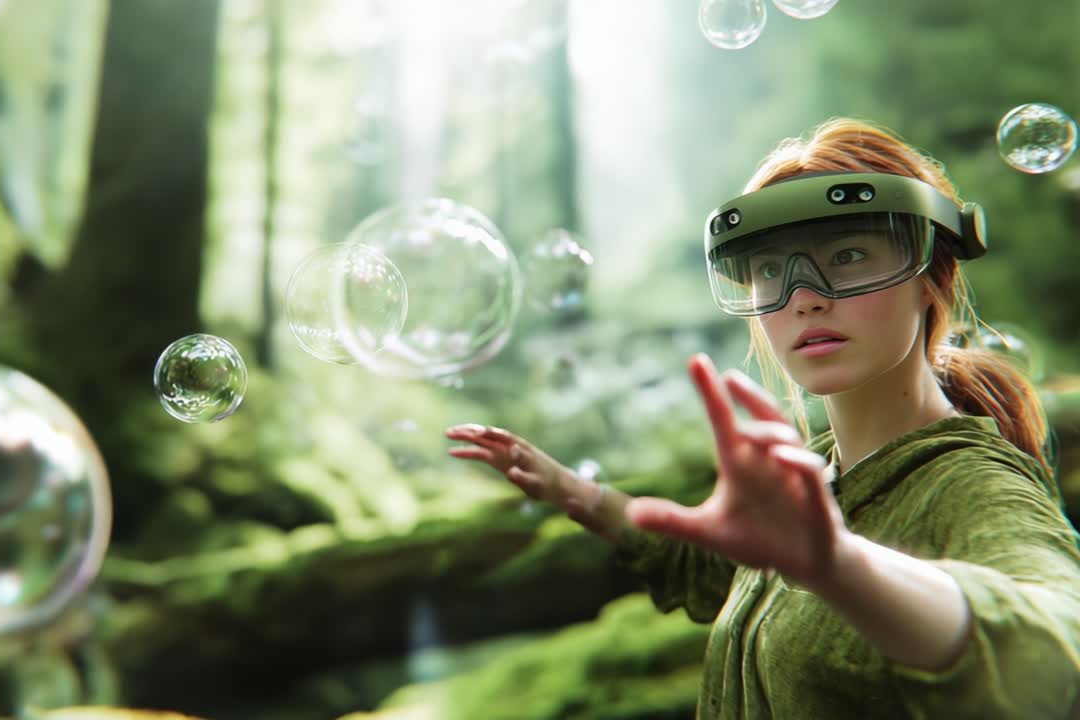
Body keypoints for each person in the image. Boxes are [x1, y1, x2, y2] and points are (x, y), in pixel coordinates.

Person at [445, 117, 1080, 718]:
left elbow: (1057, 647)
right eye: (771, 270)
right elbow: (719, 569)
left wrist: (840, 567)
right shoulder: (815, 478)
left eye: (849, 255)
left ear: (930, 277)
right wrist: (572, 492)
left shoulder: (972, 484)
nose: (804, 297)